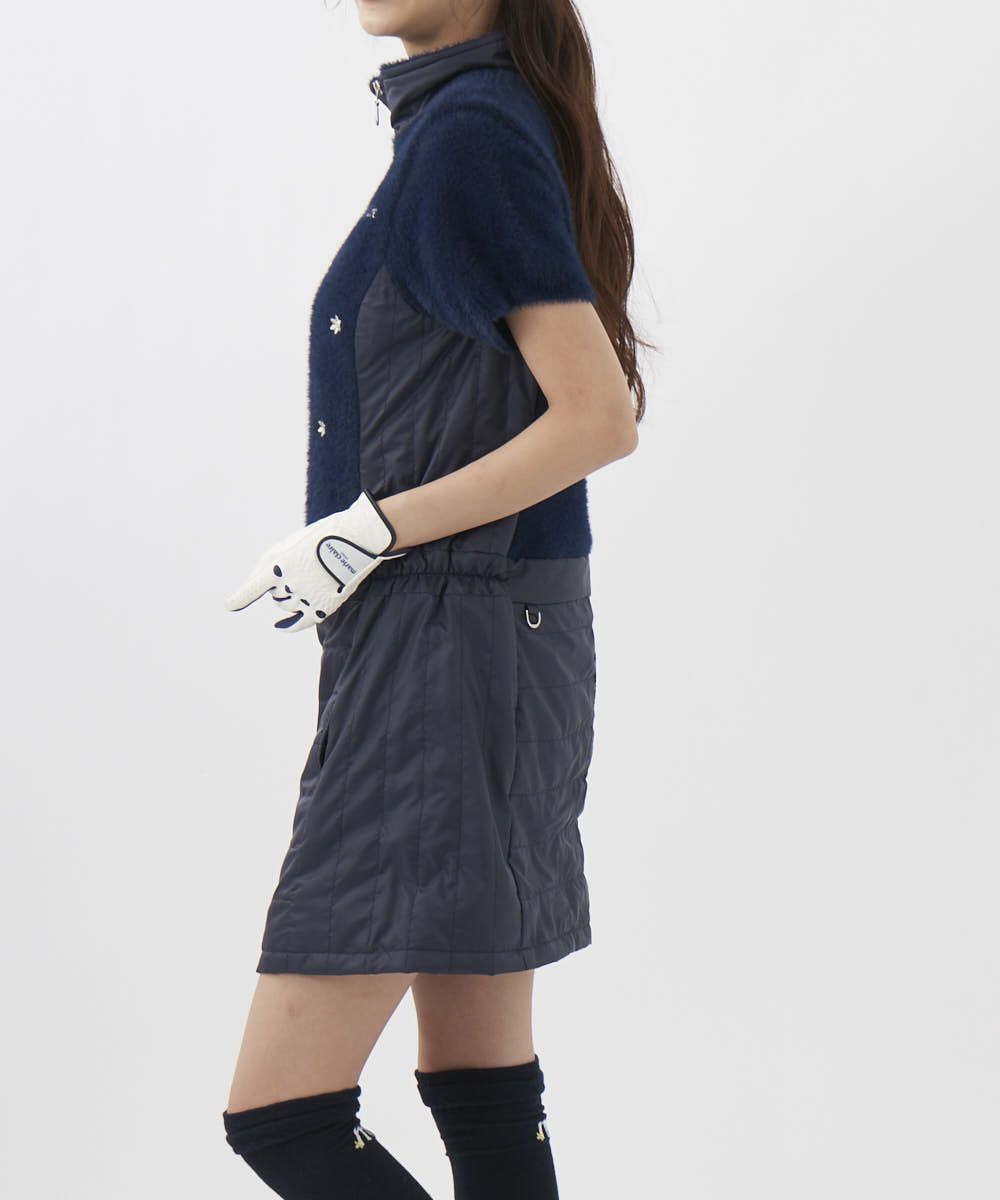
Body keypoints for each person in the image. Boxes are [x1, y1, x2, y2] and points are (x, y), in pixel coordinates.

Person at [220, 2, 650, 1196]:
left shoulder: (470, 134)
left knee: (283, 1115)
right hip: (484, 638)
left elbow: (596, 417)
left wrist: (371, 529)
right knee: (480, 1081)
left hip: (449, 650)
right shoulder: (472, 121)